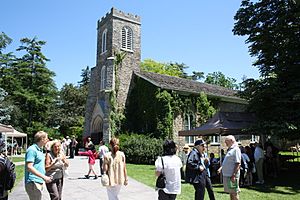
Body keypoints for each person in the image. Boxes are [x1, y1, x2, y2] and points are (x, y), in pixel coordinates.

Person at [25, 131, 52, 200]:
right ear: (42, 139)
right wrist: (44, 177)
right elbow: (29, 167)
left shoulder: (40, 150)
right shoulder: (32, 150)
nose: (48, 140)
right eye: (46, 138)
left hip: (38, 181)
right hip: (33, 182)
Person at [217, 135, 241, 200]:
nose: (225, 143)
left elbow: (238, 163)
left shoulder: (236, 149)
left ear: (231, 141)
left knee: (234, 193)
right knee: (231, 192)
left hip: (232, 175)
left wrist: (233, 175)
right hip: (228, 175)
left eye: (226, 141)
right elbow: (227, 161)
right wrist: (221, 168)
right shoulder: (230, 149)